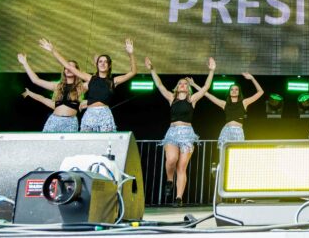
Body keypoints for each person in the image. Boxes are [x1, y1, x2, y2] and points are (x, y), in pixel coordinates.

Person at [146, 56, 216, 207]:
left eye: (185, 83)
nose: (183, 85)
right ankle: (169, 179)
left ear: (188, 88)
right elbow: (159, 85)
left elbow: (206, 87)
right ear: (177, 87)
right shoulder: (171, 98)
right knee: (172, 159)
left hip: (187, 134)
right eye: (180, 83)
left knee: (182, 167)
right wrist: (152, 69)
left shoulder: (192, 99)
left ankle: (179, 198)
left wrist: (212, 71)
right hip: (172, 132)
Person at [38, 38, 138, 132]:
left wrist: (131, 54)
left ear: (109, 65)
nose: (103, 63)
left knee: (106, 140)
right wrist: (53, 50)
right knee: (87, 140)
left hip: (105, 114)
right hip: (90, 114)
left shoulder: (113, 81)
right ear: (97, 65)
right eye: (100, 61)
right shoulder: (90, 78)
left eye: (106, 62)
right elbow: (68, 66)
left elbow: (133, 72)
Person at [189, 72, 264, 147]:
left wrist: (252, 78)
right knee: (223, 152)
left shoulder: (244, 103)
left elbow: (261, 92)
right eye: (232, 89)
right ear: (229, 92)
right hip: (226, 131)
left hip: (238, 131)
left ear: (239, 92)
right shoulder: (224, 104)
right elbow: (206, 94)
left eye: (236, 89)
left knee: (237, 151)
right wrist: (194, 84)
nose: (234, 91)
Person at [18, 53, 84, 132]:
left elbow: (93, 81)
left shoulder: (81, 87)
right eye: (66, 67)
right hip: (54, 121)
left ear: (76, 71)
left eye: (71, 67)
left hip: (70, 123)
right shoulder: (57, 86)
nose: (68, 69)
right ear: (64, 71)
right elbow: (36, 80)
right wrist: (25, 63)